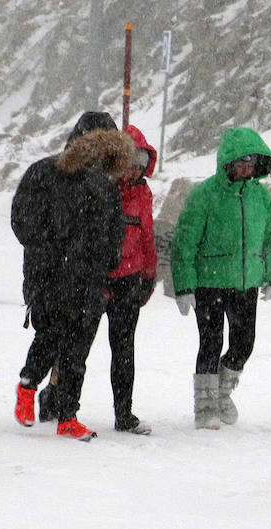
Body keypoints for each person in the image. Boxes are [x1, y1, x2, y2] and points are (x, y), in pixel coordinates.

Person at [11, 112, 132, 440]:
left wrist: (108, 259)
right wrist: (52, 251)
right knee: (49, 336)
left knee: (79, 349)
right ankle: (27, 387)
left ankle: (68, 415)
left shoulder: (106, 184)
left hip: (89, 279)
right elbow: (22, 220)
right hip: (49, 276)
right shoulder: (45, 171)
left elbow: (115, 228)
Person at [171, 127, 271, 429]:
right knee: (210, 342)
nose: (246, 169)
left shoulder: (261, 197)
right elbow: (184, 242)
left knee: (244, 343)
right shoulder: (205, 195)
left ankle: (222, 393)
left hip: (245, 283)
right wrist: (184, 285)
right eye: (241, 162)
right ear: (228, 162)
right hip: (209, 282)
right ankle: (205, 406)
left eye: (251, 163)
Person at [99, 125, 160, 434]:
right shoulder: (102, 188)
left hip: (129, 280)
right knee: (75, 347)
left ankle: (124, 413)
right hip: (98, 278)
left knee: (123, 349)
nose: (135, 167)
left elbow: (147, 237)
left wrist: (149, 275)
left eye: (141, 159)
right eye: (130, 159)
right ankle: (60, 402)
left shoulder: (144, 194)